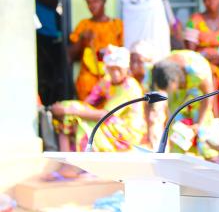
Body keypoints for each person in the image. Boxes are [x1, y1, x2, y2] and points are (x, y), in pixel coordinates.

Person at [49, 46, 146, 180]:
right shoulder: (106, 81)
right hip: (110, 123)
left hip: (126, 132)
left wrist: (68, 110)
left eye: (119, 69)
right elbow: (88, 103)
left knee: (80, 117)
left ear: (125, 69)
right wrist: (67, 108)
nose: (115, 73)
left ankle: (86, 166)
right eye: (112, 69)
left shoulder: (130, 87)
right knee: (72, 108)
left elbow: (106, 114)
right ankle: (67, 162)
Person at [151, 50, 218, 158]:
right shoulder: (159, 71)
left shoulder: (196, 72)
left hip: (199, 94)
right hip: (179, 93)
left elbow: (208, 95)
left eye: (169, 89)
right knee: (176, 132)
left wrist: (199, 124)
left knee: (203, 137)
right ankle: (177, 159)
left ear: (175, 80)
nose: (168, 92)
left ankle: (209, 161)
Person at [69, 0, 123, 101]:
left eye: (95, 1)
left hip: (111, 78)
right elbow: (70, 56)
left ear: (104, 2)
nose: (92, 5)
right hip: (87, 82)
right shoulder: (84, 25)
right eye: (89, 2)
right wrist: (82, 39)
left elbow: (123, 53)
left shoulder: (116, 25)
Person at [34, 0, 63, 105]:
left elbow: (53, 3)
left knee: (48, 71)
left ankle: (49, 104)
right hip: (27, 36)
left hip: (47, 33)